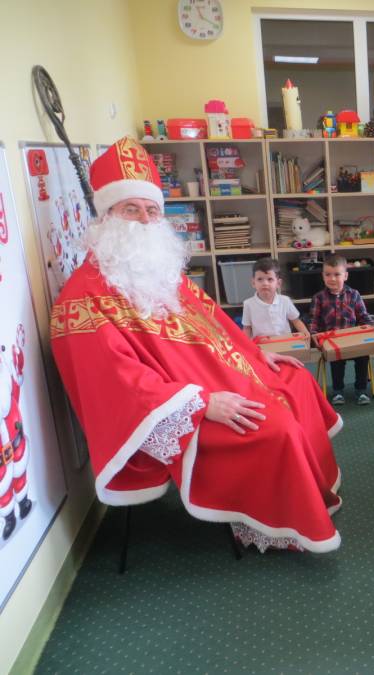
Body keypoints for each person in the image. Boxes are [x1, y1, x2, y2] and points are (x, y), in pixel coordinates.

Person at [50, 138, 343, 554]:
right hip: (181, 403)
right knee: (275, 427)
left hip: (220, 373)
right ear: (107, 215)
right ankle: (281, 516)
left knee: (296, 380)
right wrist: (203, 403)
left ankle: (310, 491)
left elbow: (215, 322)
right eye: (131, 209)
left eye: (152, 210)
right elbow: (117, 383)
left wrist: (255, 354)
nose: (145, 220)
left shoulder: (158, 270)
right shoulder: (82, 299)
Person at [309, 254, 374, 406]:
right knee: (336, 360)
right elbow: (313, 320)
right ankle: (338, 391)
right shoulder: (318, 298)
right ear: (323, 276)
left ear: (345, 276)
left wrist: (371, 327)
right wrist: (314, 335)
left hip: (353, 342)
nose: (332, 279)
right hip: (332, 343)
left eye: (337, 274)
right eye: (328, 274)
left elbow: (364, 316)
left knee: (363, 356)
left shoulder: (354, 295)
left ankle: (361, 390)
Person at [241, 257, 310, 340]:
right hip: (262, 344)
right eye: (260, 279)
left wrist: (306, 333)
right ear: (253, 282)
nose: (265, 283)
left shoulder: (285, 301)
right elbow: (247, 328)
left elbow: (296, 321)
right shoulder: (248, 304)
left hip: (284, 341)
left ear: (278, 283)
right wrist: (244, 345)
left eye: (270, 279)